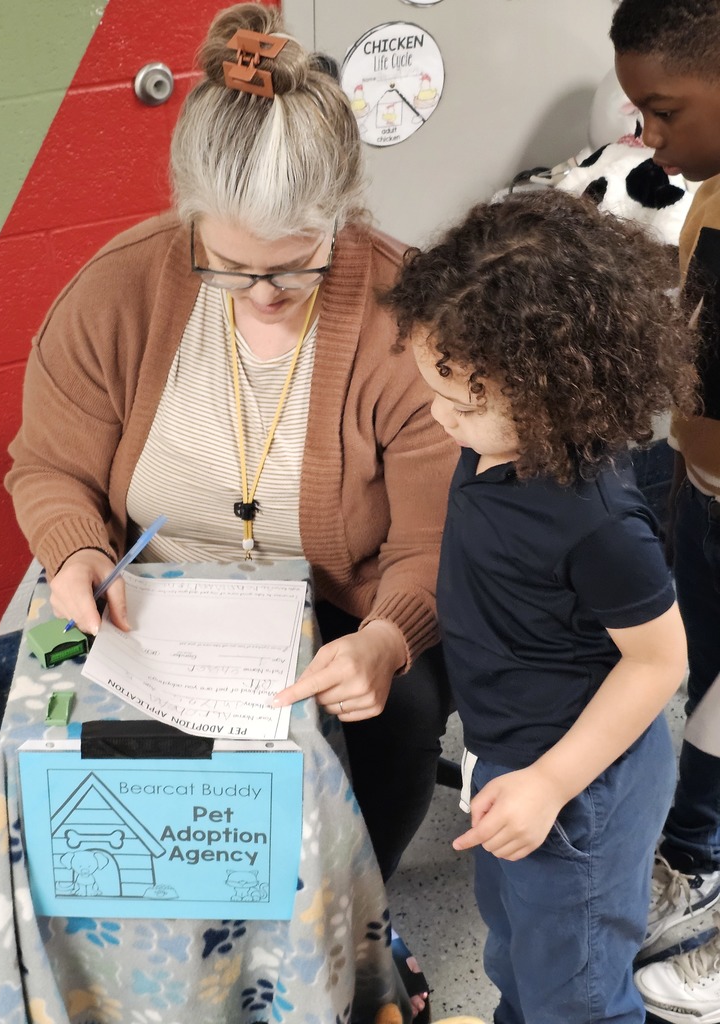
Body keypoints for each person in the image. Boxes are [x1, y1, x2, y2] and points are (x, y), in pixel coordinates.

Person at [5, 3, 457, 1011]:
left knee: (403, 715)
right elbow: (46, 467)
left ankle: (346, 929)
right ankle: (141, 965)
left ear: (344, 214)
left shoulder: (404, 313)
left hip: (340, 601)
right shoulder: (116, 291)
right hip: (146, 598)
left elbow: (436, 542)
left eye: (295, 265)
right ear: (186, 214)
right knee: (75, 750)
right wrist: (76, 550)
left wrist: (387, 639)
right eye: (230, 265)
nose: (260, 293)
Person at [382, 187, 697, 1024]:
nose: (443, 419)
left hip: (579, 793)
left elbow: (662, 660)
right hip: (511, 764)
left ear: (557, 390)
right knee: (517, 947)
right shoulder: (497, 444)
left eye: (466, 402)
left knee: (579, 990)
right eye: (436, 391)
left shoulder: (595, 520)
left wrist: (552, 784)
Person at [610, 0, 720, 1015]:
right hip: (702, 487)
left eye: (663, 112)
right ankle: (693, 857)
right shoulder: (708, 192)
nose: (648, 139)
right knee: (704, 691)